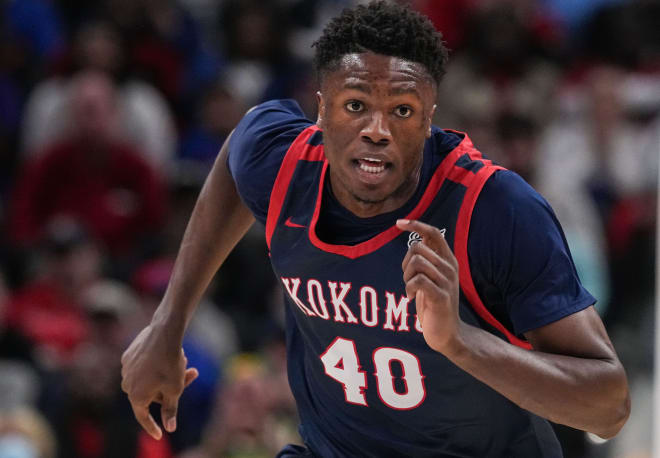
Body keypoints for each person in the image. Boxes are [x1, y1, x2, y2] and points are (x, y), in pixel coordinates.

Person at [121, 2, 630, 457]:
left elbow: (608, 406)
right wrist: (168, 325)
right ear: (321, 109)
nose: (376, 131)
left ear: (430, 117)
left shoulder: (495, 208)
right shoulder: (284, 164)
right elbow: (238, 152)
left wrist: (459, 342)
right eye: (356, 105)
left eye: (402, 111)